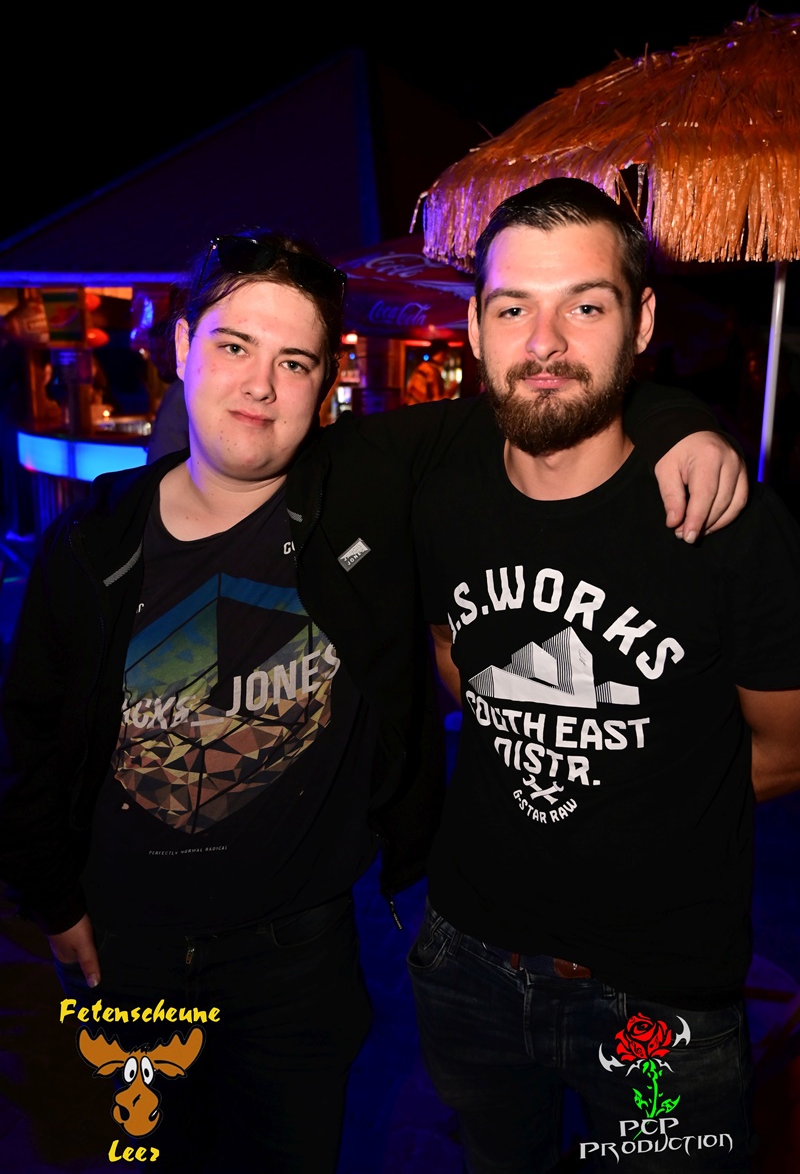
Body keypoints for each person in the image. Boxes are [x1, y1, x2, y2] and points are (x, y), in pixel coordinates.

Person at [0, 223, 747, 1173]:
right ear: (183, 346)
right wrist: (53, 898)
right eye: (234, 346)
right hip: (128, 942)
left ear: (325, 385)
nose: (260, 386)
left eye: (295, 362)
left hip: (299, 955)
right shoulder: (92, 540)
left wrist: (683, 421)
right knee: (147, 1155)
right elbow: (30, 736)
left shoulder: (362, 482)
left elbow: (551, 391)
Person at [407, 178, 800, 1173]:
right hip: (464, 962)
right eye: (512, 309)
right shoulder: (438, 493)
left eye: (584, 306)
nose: (543, 343)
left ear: (642, 321)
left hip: (660, 995)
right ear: (474, 327)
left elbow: (787, 748)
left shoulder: (726, 524)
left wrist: (638, 789)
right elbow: (453, 654)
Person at [404, 338, 458, 404]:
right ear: (441, 353)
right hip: (419, 410)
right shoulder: (429, 371)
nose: (447, 358)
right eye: (446, 354)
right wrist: (450, 392)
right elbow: (434, 403)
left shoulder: (426, 368)